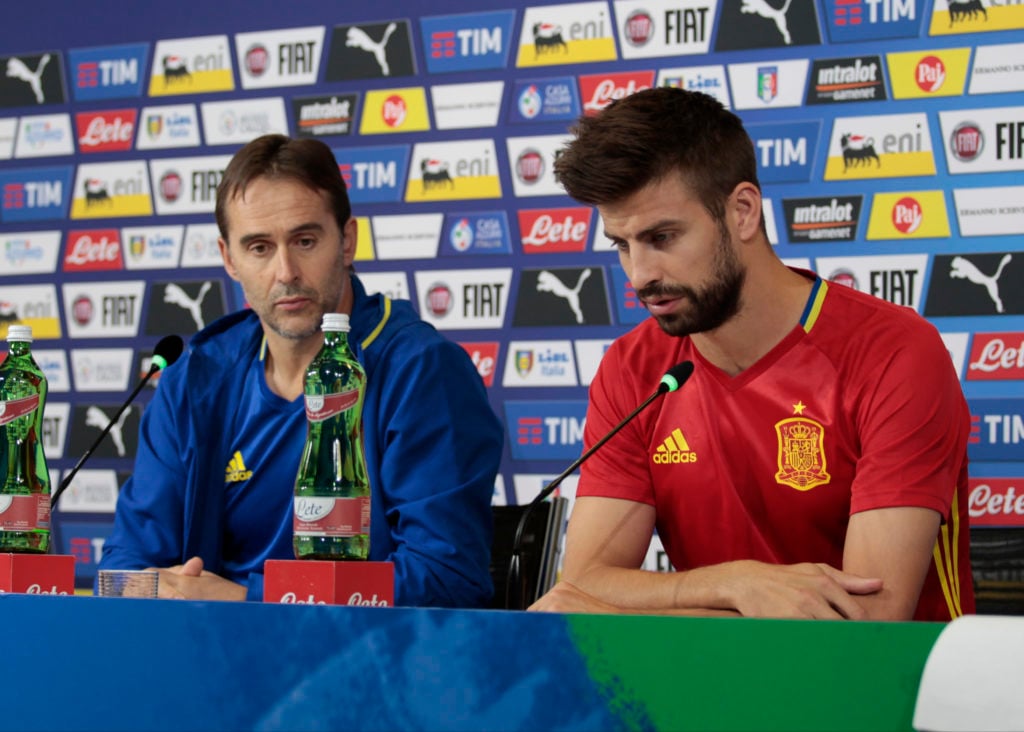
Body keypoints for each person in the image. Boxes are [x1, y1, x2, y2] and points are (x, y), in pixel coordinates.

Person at [529, 87, 974, 621]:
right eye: (622, 245)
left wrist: (648, 609)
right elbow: (587, 584)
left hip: (888, 695)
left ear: (742, 211)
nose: (640, 275)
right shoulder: (632, 367)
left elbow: (865, 622)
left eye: (662, 237)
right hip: (710, 689)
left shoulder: (894, 353)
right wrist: (738, 583)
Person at [98, 134, 503, 606]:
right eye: (259, 248)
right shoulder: (195, 379)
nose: (286, 271)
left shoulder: (420, 370)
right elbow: (126, 566)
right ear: (229, 258)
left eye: (305, 241)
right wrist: (151, 589)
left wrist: (249, 603)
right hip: (210, 660)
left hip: (364, 664)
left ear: (346, 241)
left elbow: (446, 578)